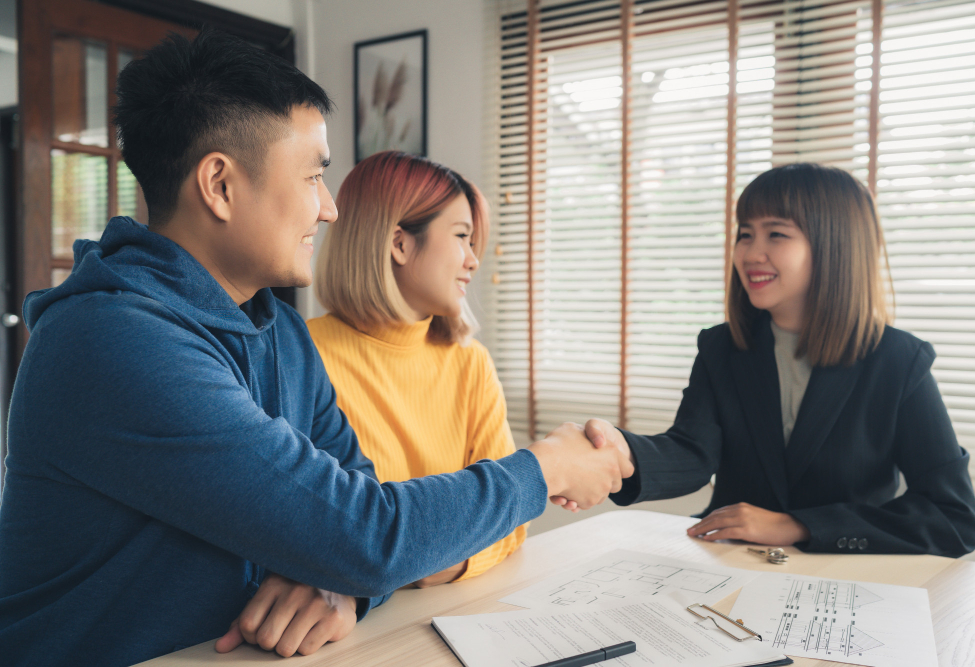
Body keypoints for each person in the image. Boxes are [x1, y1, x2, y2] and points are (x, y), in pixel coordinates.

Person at [0, 31, 632, 667]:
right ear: (219, 185)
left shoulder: (279, 331)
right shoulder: (115, 342)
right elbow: (365, 533)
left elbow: (353, 508)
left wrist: (344, 585)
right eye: (314, 176)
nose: (329, 209)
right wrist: (545, 468)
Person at [581, 163, 975, 557]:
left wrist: (800, 526)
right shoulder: (721, 347)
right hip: (733, 560)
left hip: (845, 575)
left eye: (776, 234)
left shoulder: (899, 360)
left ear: (833, 245)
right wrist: (622, 453)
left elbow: (951, 518)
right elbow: (693, 453)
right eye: (745, 234)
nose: (751, 253)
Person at [307, 151, 526, 586]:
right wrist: (430, 544)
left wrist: (431, 562)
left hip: (449, 609)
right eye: (462, 236)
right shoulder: (303, 353)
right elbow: (314, 528)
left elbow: (513, 517)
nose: (473, 260)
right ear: (400, 243)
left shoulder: (470, 363)